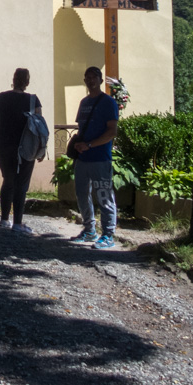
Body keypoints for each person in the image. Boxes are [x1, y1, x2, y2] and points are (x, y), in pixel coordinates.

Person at [70, 66, 120, 249]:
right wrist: (78, 144)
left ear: (100, 79)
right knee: (82, 194)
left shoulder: (108, 102)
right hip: (83, 158)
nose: (90, 80)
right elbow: (82, 128)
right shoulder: (83, 103)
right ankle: (89, 230)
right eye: (87, 78)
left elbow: (112, 131)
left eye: (94, 77)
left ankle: (108, 234)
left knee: (104, 195)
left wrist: (90, 145)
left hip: (100, 158)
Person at [0, 68, 42, 235]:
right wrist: (40, 148)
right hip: (26, 147)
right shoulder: (33, 101)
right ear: (27, 82)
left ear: (13, 79)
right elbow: (39, 127)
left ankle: (4, 219)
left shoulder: (1, 98)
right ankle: (18, 223)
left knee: (8, 180)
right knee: (22, 184)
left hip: (4, 146)